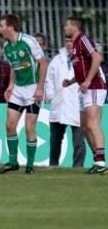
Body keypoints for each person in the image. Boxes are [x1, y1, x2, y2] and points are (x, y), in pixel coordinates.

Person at [0, 14, 48, 175]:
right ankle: (13, 163)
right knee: (10, 125)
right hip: (18, 89)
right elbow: (14, 67)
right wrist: (11, 85)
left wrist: (40, 88)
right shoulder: (6, 47)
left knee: (29, 127)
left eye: (1, 25)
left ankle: (30, 166)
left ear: (10, 27)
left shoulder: (29, 41)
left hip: (33, 89)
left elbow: (43, 64)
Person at [62, 16, 108, 174]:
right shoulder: (74, 45)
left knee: (93, 123)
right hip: (84, 88)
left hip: (95, 87)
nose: (64, 27)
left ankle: (101, 162)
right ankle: (98, 160)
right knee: (84, 126)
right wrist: (72, 81)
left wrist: (88, 80)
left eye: (67, 25)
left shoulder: (83, 39)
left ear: (75, 27)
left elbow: (97, 57)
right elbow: (82, 67)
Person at [45, 36, 85, 167]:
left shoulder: (85, 59)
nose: (69, 44)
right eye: (67, 41)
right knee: (55, 140)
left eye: (71, 41)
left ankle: (78, 167)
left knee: (79, 141)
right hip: (59, 104)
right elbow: (49, 79)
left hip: (77, 104)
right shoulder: (57, 60)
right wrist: (51, 95)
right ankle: (53, 165)